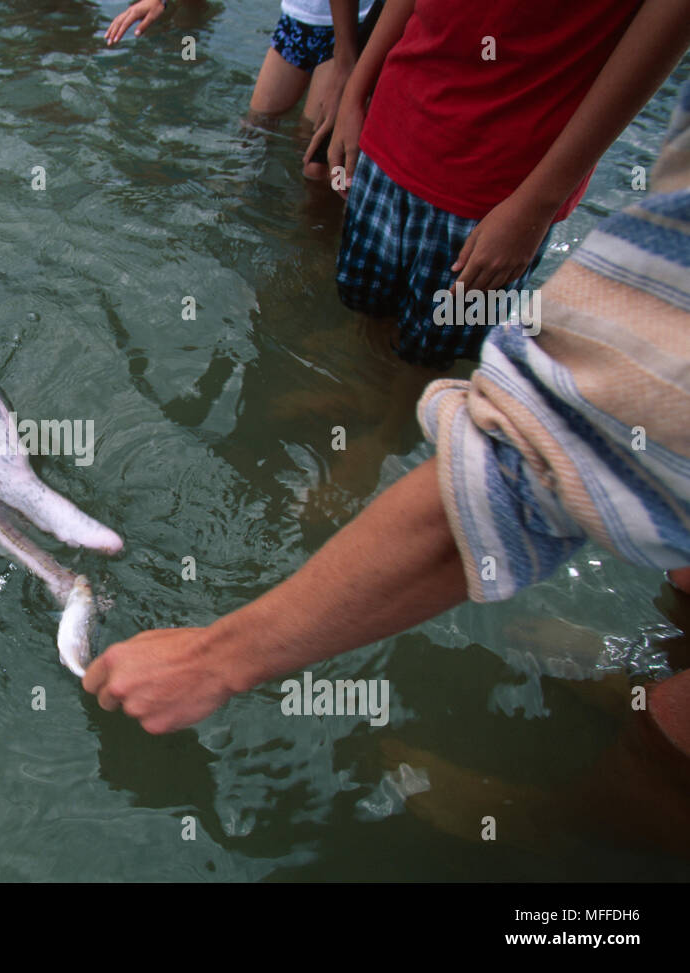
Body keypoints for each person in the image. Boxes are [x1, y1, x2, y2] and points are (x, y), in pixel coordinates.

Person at [84, 76, 690, 784]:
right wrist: (356, 78)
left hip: (487, 189)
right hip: (413, 141)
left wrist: (215, 658)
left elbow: (521, 475)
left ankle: (607, 813)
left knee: (658, 756)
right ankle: (645, 670)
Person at [327, 0, 690, 369]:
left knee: (441, 347)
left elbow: (658, 40)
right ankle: (364, 390)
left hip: (497, 192)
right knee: (369, 299)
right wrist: (354, 94)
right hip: (388, 128)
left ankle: (393, 424)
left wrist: (534, 209)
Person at [103, 0, 378, 181]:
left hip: (353, 28)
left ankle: (317, 240)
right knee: (253, 130)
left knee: (316, 163)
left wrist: (346, 66)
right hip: (298, 18)